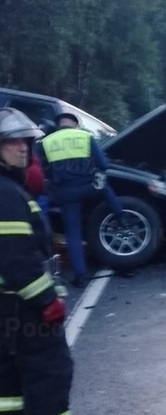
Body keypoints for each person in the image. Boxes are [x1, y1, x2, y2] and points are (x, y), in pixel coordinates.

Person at [0, 107, 73, 415]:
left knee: (9, 388)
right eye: (12, 142)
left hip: (10, 312)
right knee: (51, 379)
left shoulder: (11, 189)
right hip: (25, 311)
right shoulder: (6, 194)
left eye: (26, 142)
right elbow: (15, 259)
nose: (23, 148)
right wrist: (46, 301)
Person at [37, 112, 123, 288]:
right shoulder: (85, 136)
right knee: (104, 186)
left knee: (73, 235)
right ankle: (120, 216)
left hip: (66, 194)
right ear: (75, 124)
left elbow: (42, 171)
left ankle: (80, 275)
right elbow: (103, 165)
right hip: (89, 188)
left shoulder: (46, 142)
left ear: (58, 124)